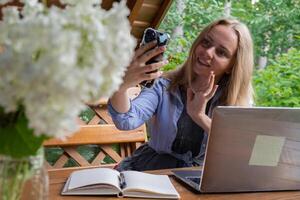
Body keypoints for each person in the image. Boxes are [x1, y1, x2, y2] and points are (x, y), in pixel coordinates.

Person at [108, 18, 254, 171]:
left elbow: (242, 151)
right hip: (151, 171)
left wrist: (200, 117)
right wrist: (122, 85)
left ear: (232, 66)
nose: (207, 52)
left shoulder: (235, 101)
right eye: (206, 42)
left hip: (201, 179)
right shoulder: (164, 85)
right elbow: (125, 121)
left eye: (221, 52)